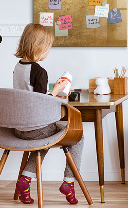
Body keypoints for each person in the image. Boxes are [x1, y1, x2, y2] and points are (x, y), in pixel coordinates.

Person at [13, 23, 83, 205]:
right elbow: (40, 103)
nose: (49, 51)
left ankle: (25, 180)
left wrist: (52, 91)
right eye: (49, 46)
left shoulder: (18, 67)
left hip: (19, 128)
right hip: (36, 128)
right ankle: (69, 182)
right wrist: (57, 91)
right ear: (40, 47)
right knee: (78, 136)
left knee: (43, 140)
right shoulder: (39, 71)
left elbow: (30, 96)